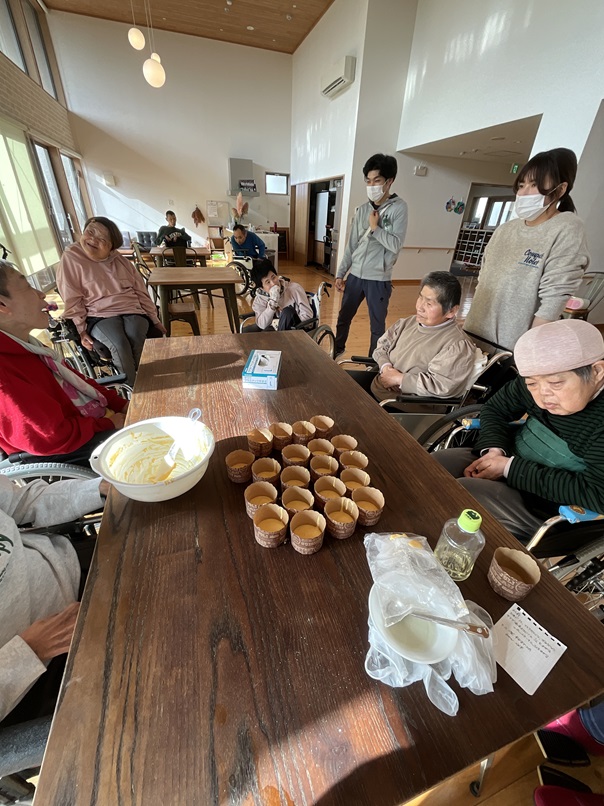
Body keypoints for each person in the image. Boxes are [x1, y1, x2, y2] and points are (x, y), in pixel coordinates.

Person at [434, 319, 604, 542]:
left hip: (549, 503)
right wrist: (494, 450)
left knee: (461, 495)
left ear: (597, 371)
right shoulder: (535, 380)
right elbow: (495, 408)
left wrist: (509, 468)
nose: (543, 395)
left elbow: (597, 493)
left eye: (556, 383)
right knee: (436, 465)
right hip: (510, 458)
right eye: (532, 384)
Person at [0, 474, 108, 725]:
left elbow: (22, 501)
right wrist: (30, 651)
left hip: (70, 568)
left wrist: (98, 488)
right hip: (35, 683)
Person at [0, 259, 128, 464]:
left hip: (94, 428)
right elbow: (51, 437)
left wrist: (121, 404)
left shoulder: (29, 346)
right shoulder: (5, 375)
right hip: (74, 454)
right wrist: (109, 424)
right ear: (2, 305)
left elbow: (81, 384)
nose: (41, 294)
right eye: (28, 286)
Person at [465, 148, 589, 352]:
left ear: (560, 190)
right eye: (521, 185)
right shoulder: (505, 229)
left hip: (511, 348)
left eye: (534, 185)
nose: (523, 193)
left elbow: (553, 300)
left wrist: (528, 351)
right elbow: (484, 280)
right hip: (473, 332)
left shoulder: (567, 227)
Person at [57, 216, 167, 385]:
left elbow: (141, 293)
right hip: (98, 314)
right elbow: (72, 298)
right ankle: (131, 391)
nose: (93, 239)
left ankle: (146, 383)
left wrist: (155, 319)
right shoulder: (72, 257)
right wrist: (81, 330)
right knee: (119, 343)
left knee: (135, 334)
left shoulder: (121, 262)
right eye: (90, 232)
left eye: (102, 239)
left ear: (111, 247)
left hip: (132, 310)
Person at [347, 272, 478, 402]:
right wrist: (386, 367)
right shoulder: (408, 323)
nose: (420, 307)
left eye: (429, 304)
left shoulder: (456, 344)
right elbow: (383, 346)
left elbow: (443, 385)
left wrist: (400, 379)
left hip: (403, 403)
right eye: (420, 298)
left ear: (451, 311)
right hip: (377, 386)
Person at [334, 153, 408, 358]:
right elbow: (351, 245)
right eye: (368, 181)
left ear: (389, 181)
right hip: (355, 276)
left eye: (376, 180)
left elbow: (395, 245)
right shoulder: (362, 209)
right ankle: (337, 350)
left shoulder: (399, 208)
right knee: (343, 318)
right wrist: (341, 273)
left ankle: (373, 363)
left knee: (377, 326)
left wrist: (375, 228)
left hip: (378, 278)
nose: (371, 185)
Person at [243, 259, 313, 332]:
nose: (273, 283)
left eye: (273, 277)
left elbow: (308, 317)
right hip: (274, 331)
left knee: (287, 312)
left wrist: (282, 321)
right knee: (246, 332)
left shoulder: (294, 289)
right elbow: (262, 325)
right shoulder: (260, 299)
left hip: (296, 330)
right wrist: (272, 304)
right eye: (268, 282)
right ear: (261, 288)